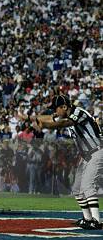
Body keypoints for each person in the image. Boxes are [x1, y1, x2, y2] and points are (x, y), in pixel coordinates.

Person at [33, 94, 102, 229]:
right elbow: (51, 118)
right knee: (77, 189)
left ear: (64, 107)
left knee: (88, 185)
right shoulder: (67, 115)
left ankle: (97, 220)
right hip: (87, 155)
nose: (55, 112)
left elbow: (64, 123)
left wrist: (46, 125)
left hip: (97, 150)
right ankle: (87, 218)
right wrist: (31, 119)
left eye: (56, 108)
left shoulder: (78, 113)